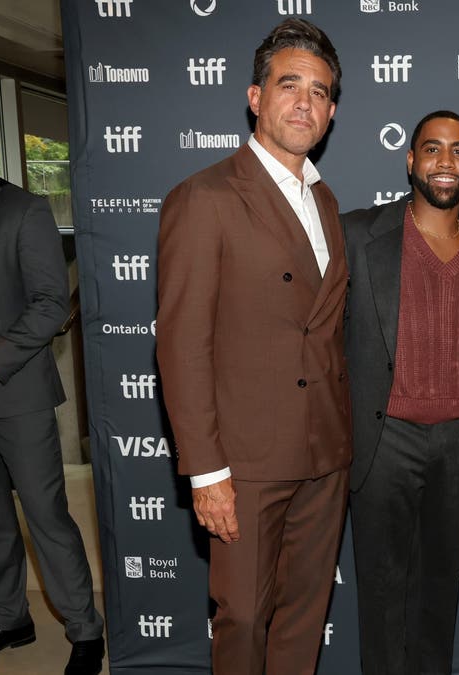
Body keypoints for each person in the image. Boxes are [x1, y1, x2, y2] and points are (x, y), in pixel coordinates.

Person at [156, 19, 349, 675]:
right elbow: (182, 344)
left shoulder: (324, 202)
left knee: (303, 613)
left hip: (325, 452)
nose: (305, 102)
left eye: (321, 92)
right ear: (255, 97)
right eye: (289, 84)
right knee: (240, 617)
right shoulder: (204, 197)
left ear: (330, 110)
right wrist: (207, 472)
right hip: (244, 461)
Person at [342, 110, 459, 674]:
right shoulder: (360, 234)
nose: (445, 162)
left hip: (456, 441)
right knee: (382, 599)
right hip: (383, 441)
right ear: (411, 161)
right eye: (432, 149)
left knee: (438, 598)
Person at [0, 171, 105, 674]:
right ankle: (10, 619)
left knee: (45, 515)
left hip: (19, 394)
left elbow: (51, 303)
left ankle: (85, 629)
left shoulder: (23, 210)